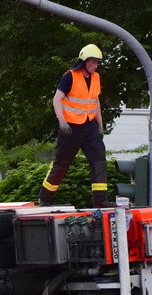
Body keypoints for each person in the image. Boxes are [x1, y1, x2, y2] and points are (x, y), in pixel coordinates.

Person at [38, 44, 112, 208]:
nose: (95, 65)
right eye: (92, 62)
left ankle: (100, 200)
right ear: (83, 61)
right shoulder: (70, 76)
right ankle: (45, 198)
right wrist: (62, 123)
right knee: (62, 164)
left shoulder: (96, 77)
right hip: (70, 127)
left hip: (89, 126)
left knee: (99, 160)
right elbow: (57, 99)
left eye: (97, 63)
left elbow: (95, 101)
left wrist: (100, 125)